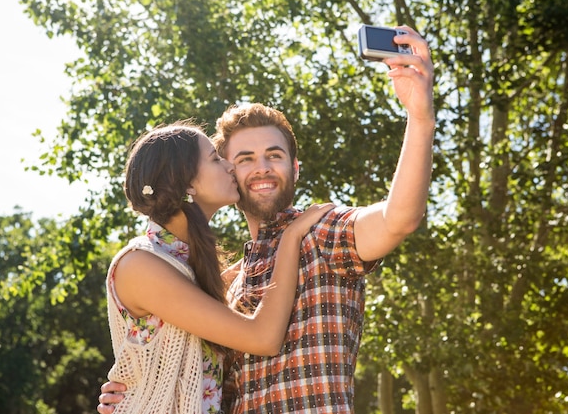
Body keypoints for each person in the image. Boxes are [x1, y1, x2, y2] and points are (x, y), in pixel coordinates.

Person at [99, 25, 434, 413]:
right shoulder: (223, 281)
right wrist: (136, 390)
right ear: (227, 172)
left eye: (274, 156)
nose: (260, 169)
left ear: (295, 168)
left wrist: (420, 118)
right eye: (242, 159)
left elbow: (399, 218)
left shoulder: (320, 231)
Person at [101, 120, 334, 413]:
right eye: (215, 159)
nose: (229, 166)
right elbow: (263, 338)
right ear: (186, 182)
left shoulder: (195, 269)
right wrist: (292, 236)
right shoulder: (141, 264)